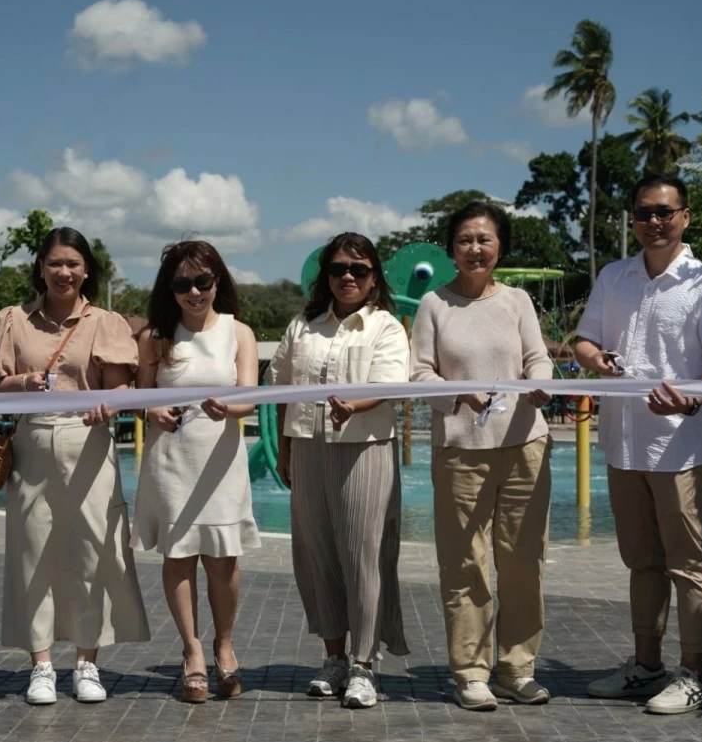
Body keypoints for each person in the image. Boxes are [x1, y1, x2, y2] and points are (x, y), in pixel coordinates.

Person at [577, 174, 702, 715]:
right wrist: (594, 358)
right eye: (643, 213)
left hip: (678, 446)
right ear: (632, 219)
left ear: (685, 217)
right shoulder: (613, 276)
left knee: (687, 563)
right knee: (641, 561)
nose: (654, 222)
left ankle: (694, 673)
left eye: (664, 212)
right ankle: (646, 666)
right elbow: (585, 340)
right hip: (623, 443)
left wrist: (692, 402)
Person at [0, 227, 150, 706]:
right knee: (34, 556)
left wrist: (110, 404)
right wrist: (25, 381)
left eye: (73, 263)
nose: (64, 272)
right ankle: (42, 665)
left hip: (88, 443)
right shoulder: (13, 320)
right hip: (31, 443)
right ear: (41, 268)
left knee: (93, 552)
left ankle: (87, 663)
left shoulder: (105, 322)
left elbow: (121, 388)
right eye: (55, 263)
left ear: (86, 268)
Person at [409, 200, 554, 712]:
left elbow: (538, 358)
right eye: (466, 240)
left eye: (485, 239)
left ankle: (517, 668)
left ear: (500, 248)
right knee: (465, 563)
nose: (475, 248)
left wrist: (540, 386)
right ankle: (471, 672)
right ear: (452, 249)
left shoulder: (517, 301)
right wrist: (458, 392)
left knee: (522, 563)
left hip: (524, 445)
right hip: (460, 450)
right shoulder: (433, 304)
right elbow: (419, 373)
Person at [269, 232, 410, 710]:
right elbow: (281, 390)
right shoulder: (302, 326)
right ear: (325, 276)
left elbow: (391, 385)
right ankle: (333, 656)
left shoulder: (386, 326)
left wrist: (353, 404)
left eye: (359, 269)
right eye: (338, 269)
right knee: (317, 555)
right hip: (308, 449)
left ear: (374, 278)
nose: (347, 276)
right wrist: (286, 450)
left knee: (362, 557)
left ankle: (364, 664)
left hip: (364, 449)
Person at [132, 240, 261, 703]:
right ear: (170, 289)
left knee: (224, 558)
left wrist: (228, 408)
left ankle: (224, 645)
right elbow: (142, 401)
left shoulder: (238, 332)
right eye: (183, 284)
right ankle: (192, 651)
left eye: (202, 282)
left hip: (221, 458)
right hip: (172, 459)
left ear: (217, 281)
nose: (193, 292)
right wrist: (155, 414)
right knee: (179, 556)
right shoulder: (155, 337)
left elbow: (250, 396)